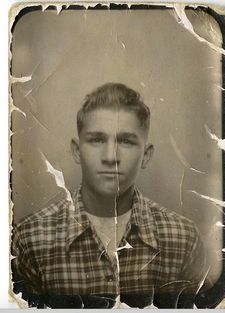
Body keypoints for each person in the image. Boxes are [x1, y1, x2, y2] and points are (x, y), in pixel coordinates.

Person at [11, 83, 207, 308]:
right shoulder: (30, 240)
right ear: (77, 150)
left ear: (146, 155)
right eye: (96, 139)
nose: (110, 157)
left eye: (125, 141)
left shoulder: (184, 239)